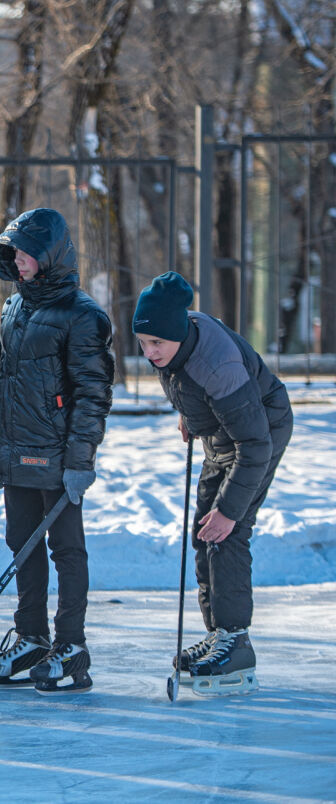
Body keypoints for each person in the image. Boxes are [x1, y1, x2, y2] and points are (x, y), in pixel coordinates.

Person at [133, 271, 291, 696]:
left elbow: (255, 444)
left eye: (157, 344)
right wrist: (192, 416)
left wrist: (228, 510)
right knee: (204, 534)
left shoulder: (215, 362)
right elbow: (190, 385)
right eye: (143, 343)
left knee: (228, 531)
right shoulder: (176, 340)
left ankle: (236, 642)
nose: (150, 354)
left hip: (261, 433)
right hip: (224, 433)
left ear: (179, 335)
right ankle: (219, 633)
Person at [0, 207, 114, 695]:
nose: (17, 259)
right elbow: (3, 383)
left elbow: (93, 394)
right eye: (12, 250)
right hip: (15, 455)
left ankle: (71, 645)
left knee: (66, 551)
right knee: (23, 545)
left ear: (50, 253)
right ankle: (32, 637)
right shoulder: (13, 309)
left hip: (57, 461)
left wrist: (81, 460)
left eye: (26, 251)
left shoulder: (81, 315)